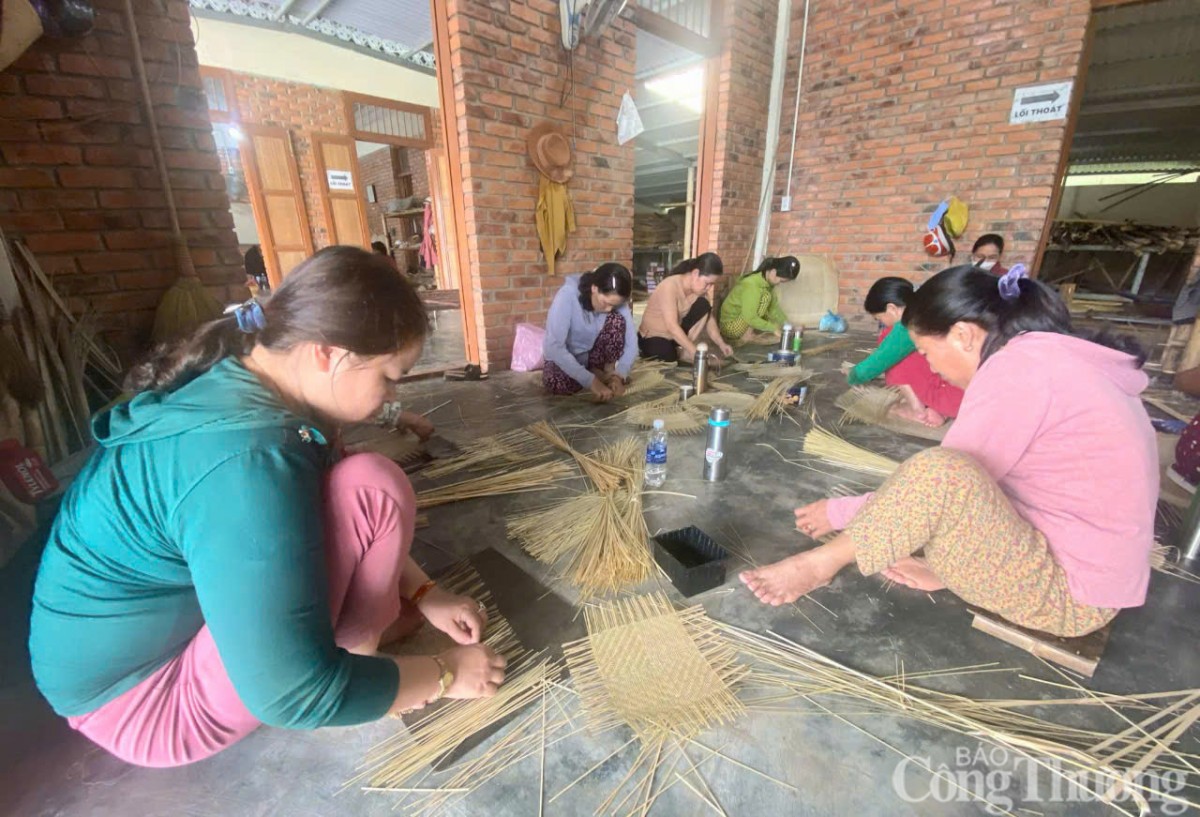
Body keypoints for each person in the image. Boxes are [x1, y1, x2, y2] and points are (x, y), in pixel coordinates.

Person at [28, 247, 507, 768]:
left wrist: (426, 592)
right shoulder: (245, 460)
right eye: (389, 377)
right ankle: (353, 669)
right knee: (376, 488)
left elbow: (347, 502)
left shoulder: (257, 384)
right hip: (142, 701)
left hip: (162, 641)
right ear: (327, 354)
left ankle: (354, 652)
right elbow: (289, 693)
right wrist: (444, 673)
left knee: (364, 483)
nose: (391, 397)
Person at [742, 265, 1157, 638]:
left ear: (963, 335)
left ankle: (818, 565)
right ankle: (951, 570)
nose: (931, 366)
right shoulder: (1047, 359)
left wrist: (839, 513)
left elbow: (939, 486)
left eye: (925, 352)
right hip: (1074, 575)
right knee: (950, 475)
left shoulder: (1019, 371)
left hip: (1065, 596)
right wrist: (945, 567)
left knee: (941, 470)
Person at [845, 277, 964, 427]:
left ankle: (917, 410)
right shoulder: (930, 310)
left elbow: (878, 362)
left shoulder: (908, 325)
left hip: (953, 397)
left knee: (892, 352)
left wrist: (853, 375)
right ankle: (940, 409)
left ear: (892, 309)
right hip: (967, 392)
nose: (881, 322)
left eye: (879, 318)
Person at [542, 262, 638, 401]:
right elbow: (553, 347)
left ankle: (606, 372)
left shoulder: (615, 297)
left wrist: (619, 375)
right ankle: (595, 375)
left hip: (593, 357)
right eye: (605, 303)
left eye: (613, 305)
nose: (608, 309)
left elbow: (632, 342)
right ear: (594, 288)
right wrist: (591, 382)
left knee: (617, 320)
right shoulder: (567, 295)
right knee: (557, 383)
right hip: (569, 356)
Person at [638, 253, 733, 363]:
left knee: (704, 305)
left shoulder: (700, 292)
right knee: (668, 356)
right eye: (707, 283)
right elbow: (672, 326)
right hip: (652, 336)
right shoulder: (670, 286)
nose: (709, 288)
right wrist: (696, 353)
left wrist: (722, 344)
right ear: (695, 273)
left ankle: (683, 350)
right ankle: (683, 351)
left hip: (673, 336)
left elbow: (709, 319)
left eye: (712, 284)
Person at [719, 256, 800, 343]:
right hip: (730, 327)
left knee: (771, 314)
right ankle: (747, 335)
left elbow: (773, 308)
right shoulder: (752, 285)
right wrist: (773, 328)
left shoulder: (766, 283)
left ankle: (749, 332)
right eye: (781, 281)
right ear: (773, 272)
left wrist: (788, 325)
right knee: (766, 298)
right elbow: (750, 317)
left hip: (742, 319)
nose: (779, 284)